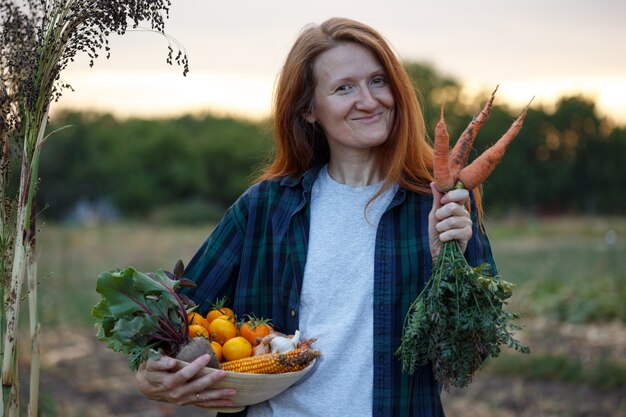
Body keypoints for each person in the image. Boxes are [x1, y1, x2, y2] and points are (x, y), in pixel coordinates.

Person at [135, 17, 496, 417]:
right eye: (345, 88)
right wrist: (150, 372)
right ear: (309, 109)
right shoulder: (265, 208)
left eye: (378, 81)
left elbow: (472, 350)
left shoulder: (439, 205)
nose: (370, 100)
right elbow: (175, 314)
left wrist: (450, 262)